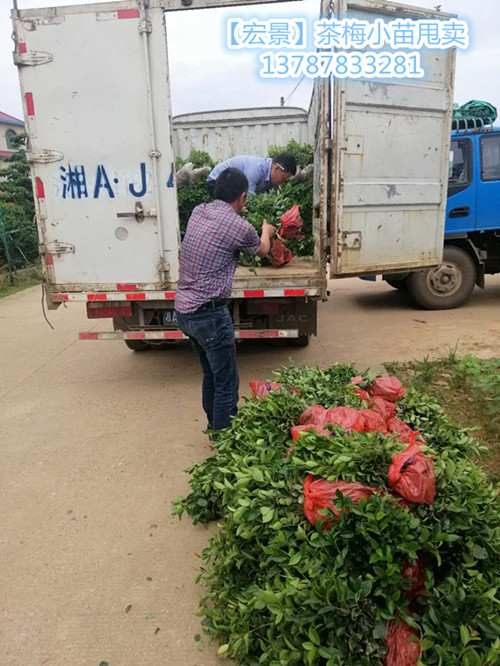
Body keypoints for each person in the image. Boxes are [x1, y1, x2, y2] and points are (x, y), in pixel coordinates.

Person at [175, 167, 276, 432]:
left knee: (211, 374)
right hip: (209, 315)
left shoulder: (199, 211)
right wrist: (267, 230)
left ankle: (213, 426)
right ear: (242, 196)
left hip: (185, 311)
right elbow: (262, 250)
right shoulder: (239, 226)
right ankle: (223, 439)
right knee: (226, 382)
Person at [206, 153, 297, 197]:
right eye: (283, 178)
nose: (282, 183)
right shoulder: (258, 168)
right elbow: (249, 195)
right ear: (277, 168)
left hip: (231, 185)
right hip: (217, 182)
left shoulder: (269, 177)